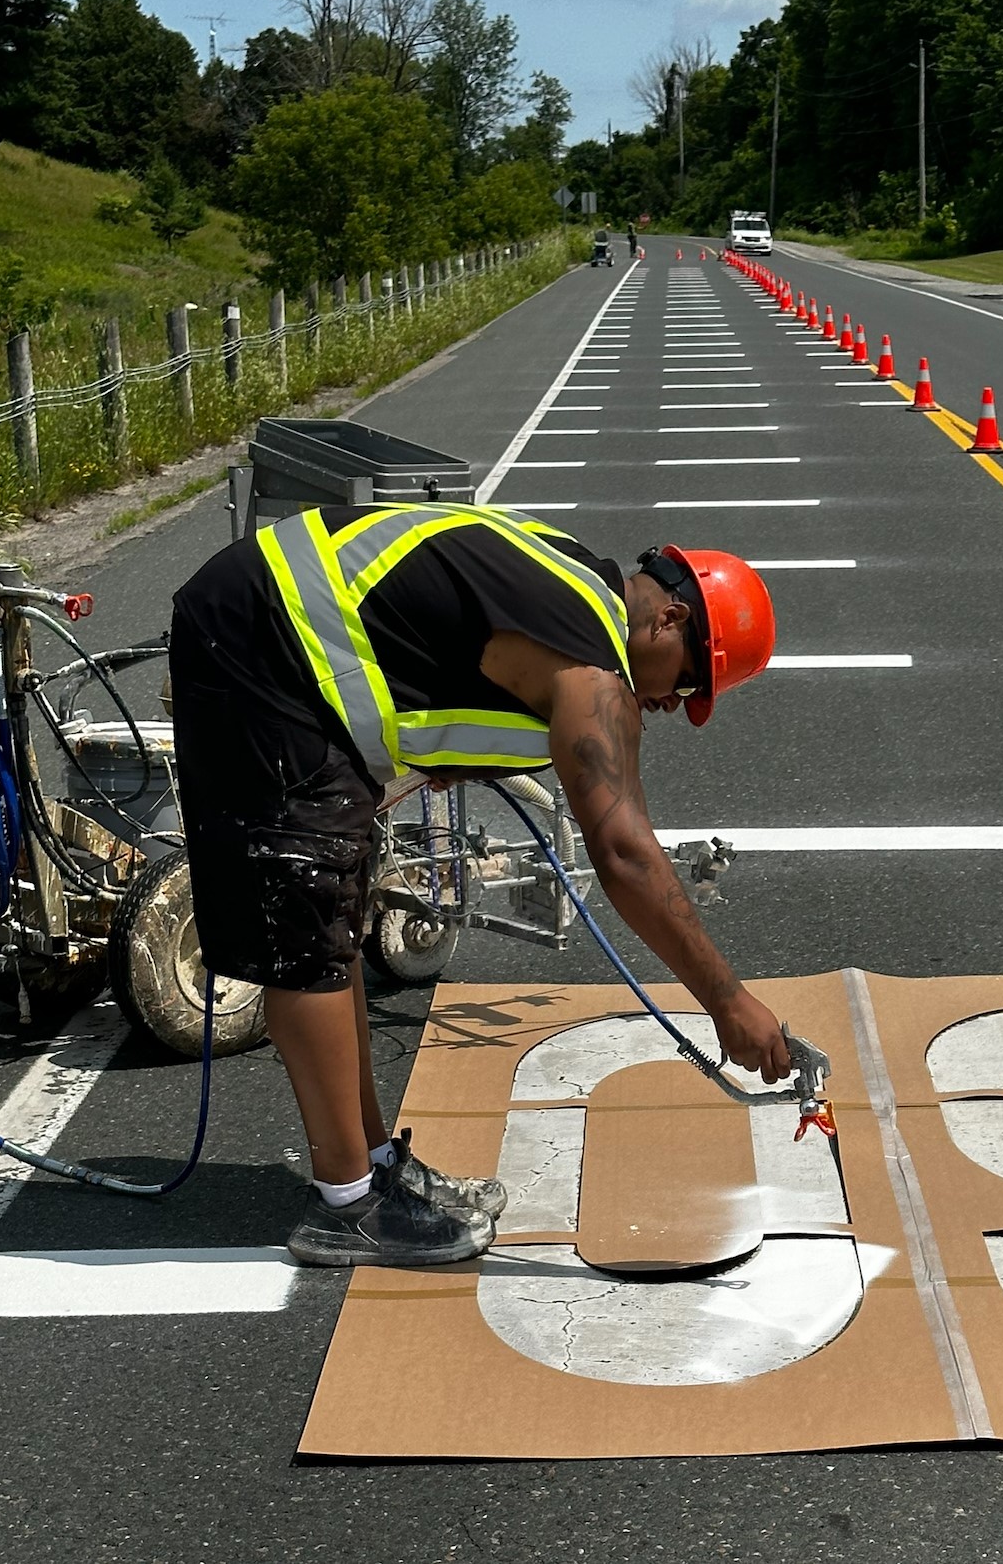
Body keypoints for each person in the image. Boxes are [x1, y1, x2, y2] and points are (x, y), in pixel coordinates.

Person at [169, 505, 782, 1268]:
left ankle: (372, 1167)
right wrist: (728, 1001)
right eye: (689, 682)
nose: (673, 705)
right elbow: (624, 853)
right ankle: (349, 1203)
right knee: (309, 918)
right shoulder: (592, 665)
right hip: (265, 642)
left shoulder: (574, 588)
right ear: (672, 618)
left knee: (333, 913)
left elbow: (450, 672)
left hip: (275, 632)